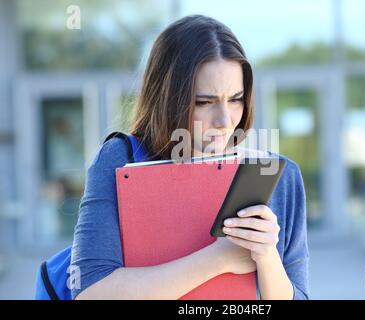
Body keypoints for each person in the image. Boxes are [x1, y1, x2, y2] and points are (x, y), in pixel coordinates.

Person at [72, 14, 309, 300]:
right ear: (167, 99)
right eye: (204, 102)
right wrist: (219, 259)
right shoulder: (120, 161)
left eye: (235, 99)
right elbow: (89, 293)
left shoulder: (275, 174)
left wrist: (267, 256)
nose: (225, 120)